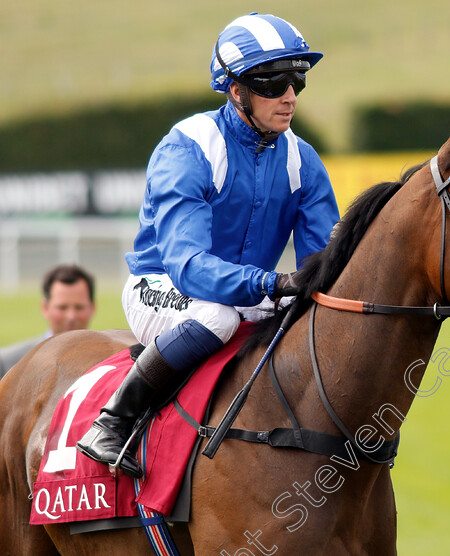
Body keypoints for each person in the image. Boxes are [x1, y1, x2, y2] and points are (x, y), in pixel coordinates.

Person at [77, 13, 340, 478]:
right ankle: (114, 420)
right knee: (215, 316)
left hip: (250, 294)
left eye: (297, 78)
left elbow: (324, 264)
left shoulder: (304, 159)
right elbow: (189, 267)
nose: (290, 94)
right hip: (161, 286)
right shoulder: (189, 147)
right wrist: (272, 281)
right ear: (236, 90)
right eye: (273, 81)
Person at [0, 264, 96, 379]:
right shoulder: (9, 364)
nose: (71, 316)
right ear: (45, 307)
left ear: (92, 307)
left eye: (79, 307)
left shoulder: (109, 362)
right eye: (62, 307)